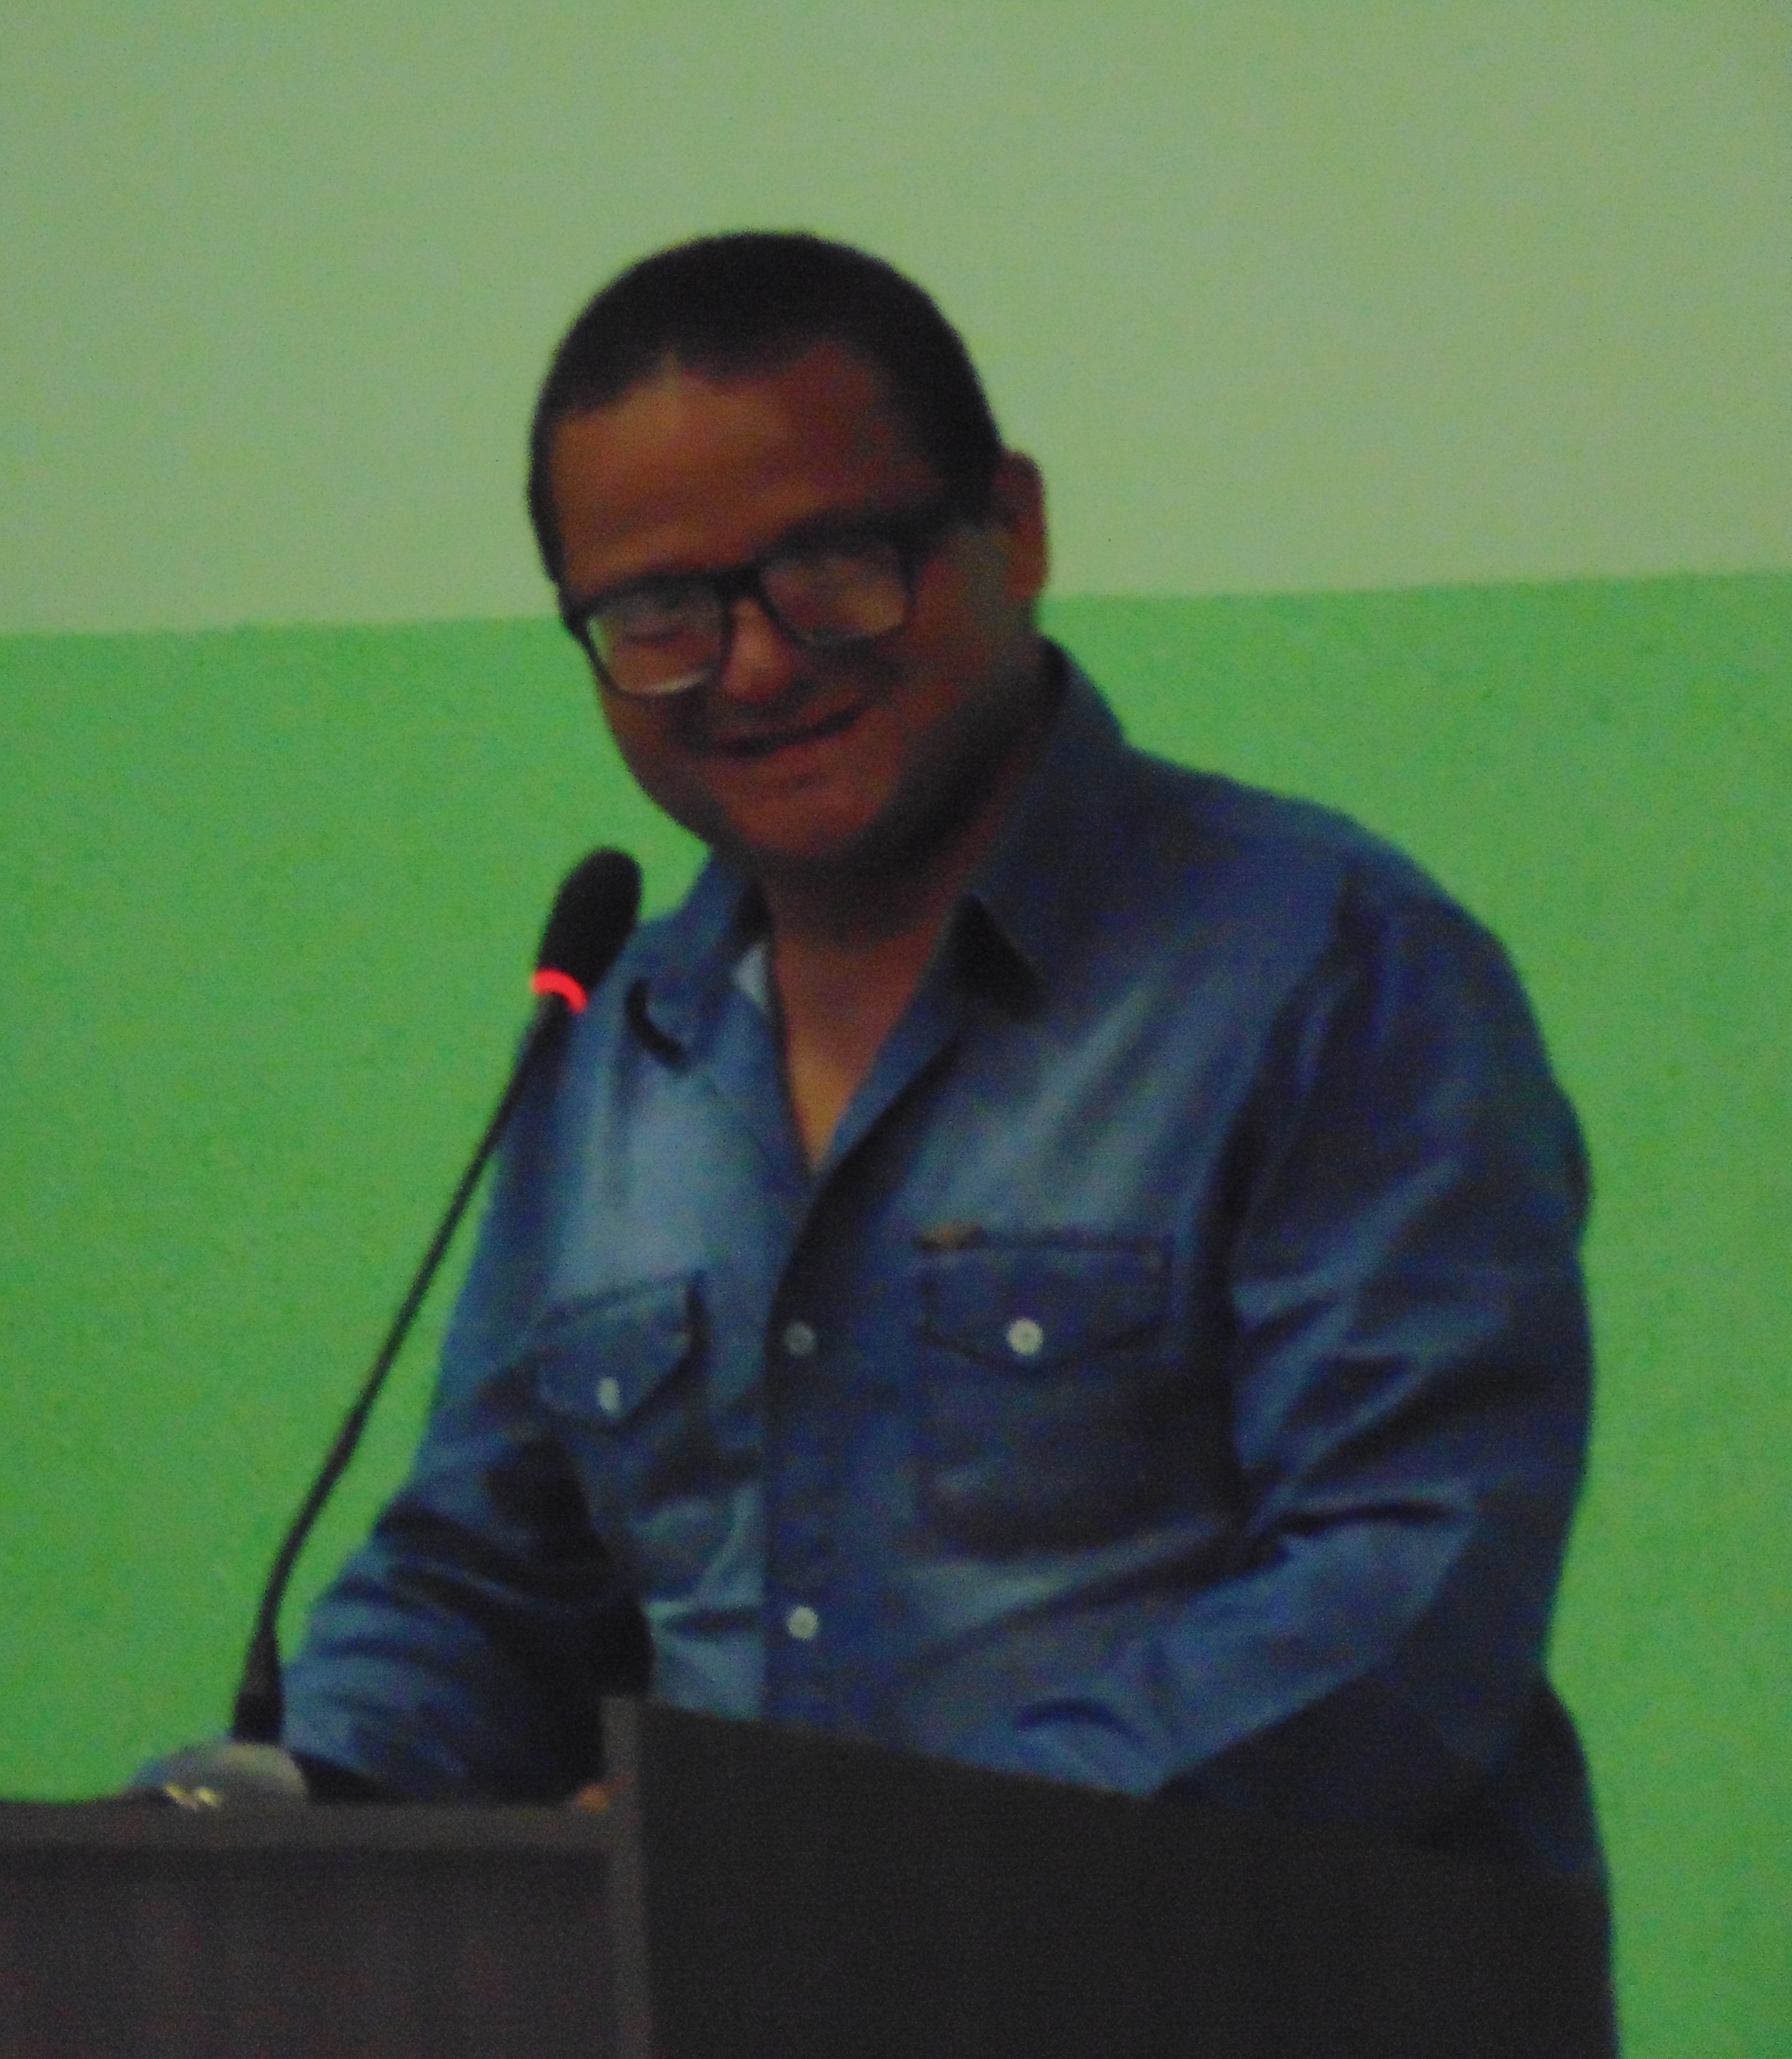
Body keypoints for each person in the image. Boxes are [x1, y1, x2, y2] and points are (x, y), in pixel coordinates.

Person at [271, 232, 1603, 1877]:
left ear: (1014, 527)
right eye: (658, 614)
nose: (757, 662)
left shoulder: (1328, 968)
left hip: (1253, 1990)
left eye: (832, 564)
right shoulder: (617, 1052)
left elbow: (1404, 1599)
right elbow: (484, 1591)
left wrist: (877, 1860)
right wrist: (276, 1809)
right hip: (743, 1985)